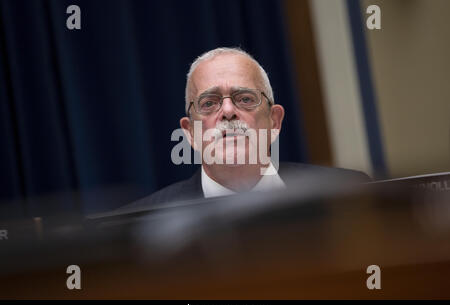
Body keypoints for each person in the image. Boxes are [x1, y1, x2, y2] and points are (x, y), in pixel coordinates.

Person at [122, 47, 370, 210]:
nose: (228, 112)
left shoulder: (349, 194)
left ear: (274, 121)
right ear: (190, 133)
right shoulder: (138, 224)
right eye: (209, 103)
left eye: (245, 99)